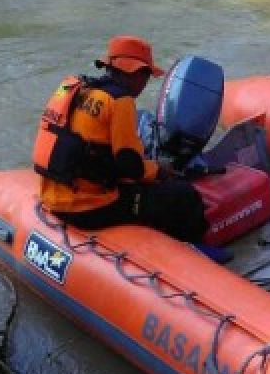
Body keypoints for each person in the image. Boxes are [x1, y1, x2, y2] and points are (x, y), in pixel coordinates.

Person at [32, 35, 208, 243]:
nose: (145, 83)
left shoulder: (72, 89)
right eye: (146, 75)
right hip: (89, 209)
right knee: (184, 195)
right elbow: (130, 166)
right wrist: (159, 171)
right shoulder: (120, 101)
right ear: (136, 73)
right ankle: (197, 251)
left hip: (52, 198)